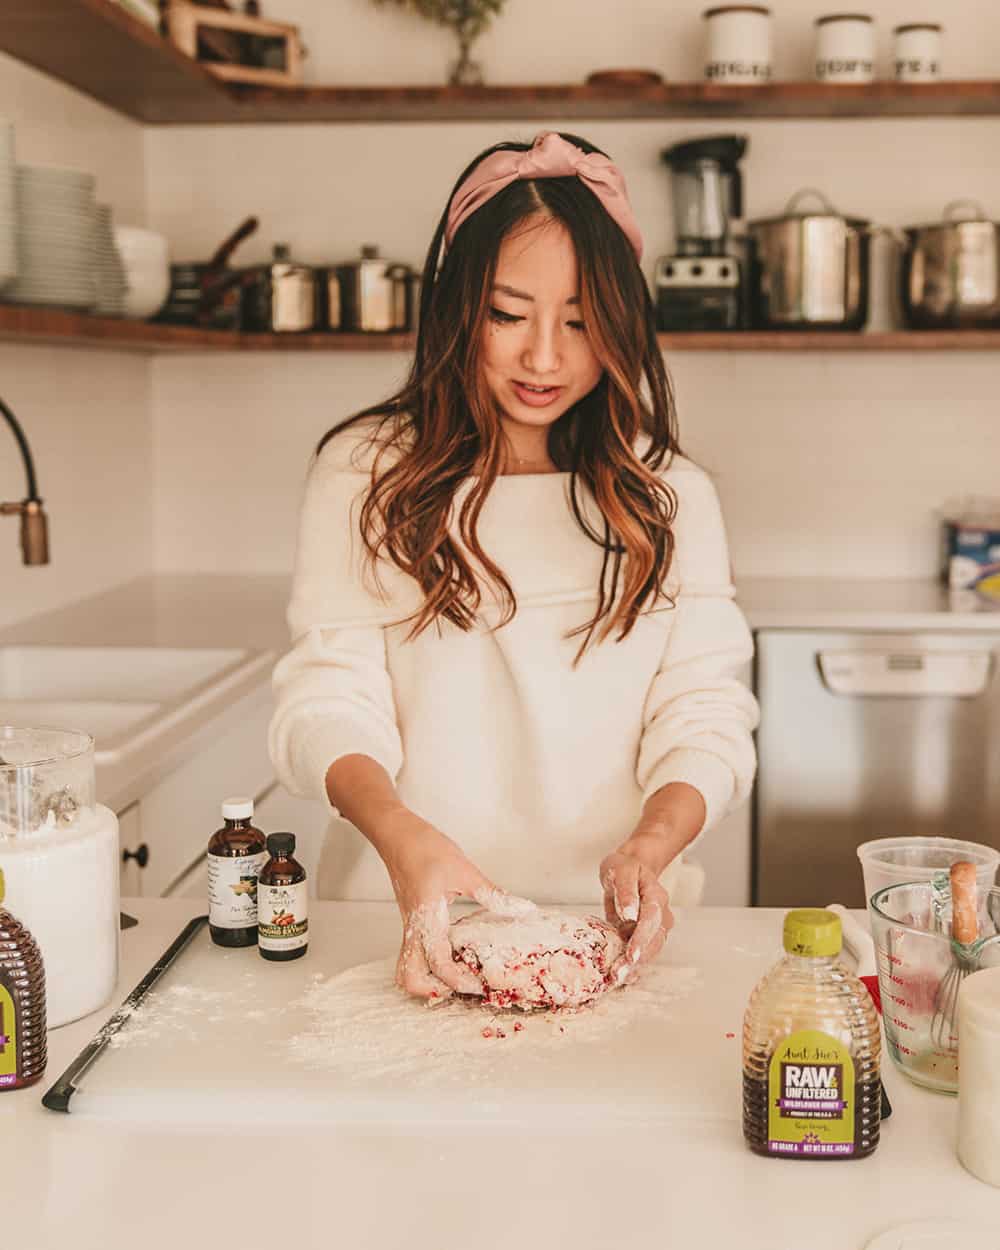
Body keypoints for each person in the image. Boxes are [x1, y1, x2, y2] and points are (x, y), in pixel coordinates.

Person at [268, 130, 758, 1002]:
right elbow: (326, 697)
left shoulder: (667, 494)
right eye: (508, 314)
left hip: (618, 938)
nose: (544, 356)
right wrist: (401, 835)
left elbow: (706, 711)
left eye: (580, 320)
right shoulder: (368, 474)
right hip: (403, 921)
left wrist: (653, 843)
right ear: (459, 308)